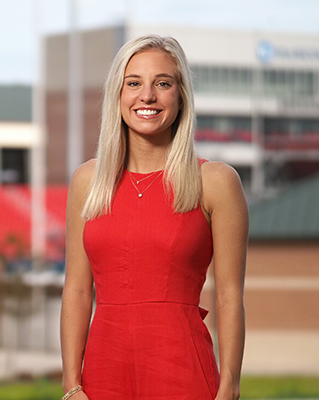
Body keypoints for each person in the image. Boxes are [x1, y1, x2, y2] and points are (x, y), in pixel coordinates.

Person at [60, 34, 248, 400]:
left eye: (163, 83)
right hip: (102, 376)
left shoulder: (216, 182)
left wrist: (229, 387)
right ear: (118, 95)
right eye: (134, 83)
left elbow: (228, 296)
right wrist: (71, 385)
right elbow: (78, 290)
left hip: (183, 373)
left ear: (181, 97)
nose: (147, 96)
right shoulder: (88, 181)